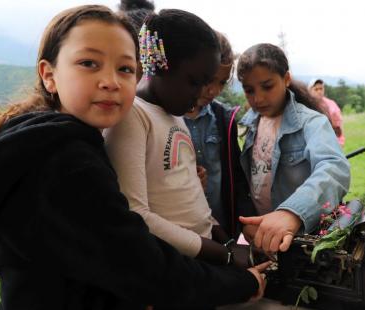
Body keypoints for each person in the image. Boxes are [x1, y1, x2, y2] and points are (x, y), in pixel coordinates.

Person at [0, 5, 268, 309]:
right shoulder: (62, 162)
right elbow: (143, 265)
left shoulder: (66, 143)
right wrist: (237, 278)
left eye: (125, 68)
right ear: (49, 75)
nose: (111, 81)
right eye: (88, 63)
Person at [104, 9, 252, 268]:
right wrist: (225, 256)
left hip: (206, 255)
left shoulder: (175, 115)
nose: (200, 95)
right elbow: (137, 215)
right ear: (159, 64)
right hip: (176, 265)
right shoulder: (133, 117)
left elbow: (194, 201)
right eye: (194, 82)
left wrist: (226, 242)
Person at [236, 43, 351, 254]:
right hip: (265, 236)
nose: (258, 98)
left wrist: (292, 213)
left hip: (305, 237)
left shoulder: (312, 123)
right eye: (249, 90)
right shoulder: (250, 124)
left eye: (267, 86)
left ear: (286, 79)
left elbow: (334, 168)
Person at [183, 31, 254, 240]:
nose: (213, 90)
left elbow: (236, 177)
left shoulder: (224, 119)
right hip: (183, 232)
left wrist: (246, 220)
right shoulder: (167, 117)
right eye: (208, 80)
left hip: (223, 230)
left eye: (222, 82)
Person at [308, 78, 345, 146]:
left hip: (331, 143)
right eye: (316, 89)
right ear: (310, 90)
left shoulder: (332, 104)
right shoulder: (306, 106)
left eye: (321, 88)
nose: (319, 91)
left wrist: (340, 142)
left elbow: (338, 126)